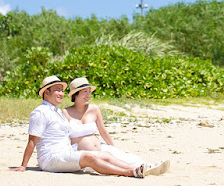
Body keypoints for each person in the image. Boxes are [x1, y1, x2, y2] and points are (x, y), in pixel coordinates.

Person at [12, 75, 149, 177]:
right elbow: (32, 140)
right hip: (51, 158)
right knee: (90, 158)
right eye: (57, 90)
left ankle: (135, 168)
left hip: (65, 152)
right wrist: (23, 166)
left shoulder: (57, 112)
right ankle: (129, 172)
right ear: (46, 92)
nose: (61, 93)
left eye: (62, 90)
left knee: (105, 154)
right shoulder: (40, 112)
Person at [62, 77, 170, 175]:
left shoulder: (94, 109)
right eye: (85, 92)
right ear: (75, 94)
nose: (88, 95)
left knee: (124, 157)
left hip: (100, 147)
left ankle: (148, 166)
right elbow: (63, 136)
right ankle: (138, 170)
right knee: (111, 163)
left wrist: (114, 147)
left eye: (89, 92)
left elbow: (103, 131)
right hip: (83, 154)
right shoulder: (66, 112)